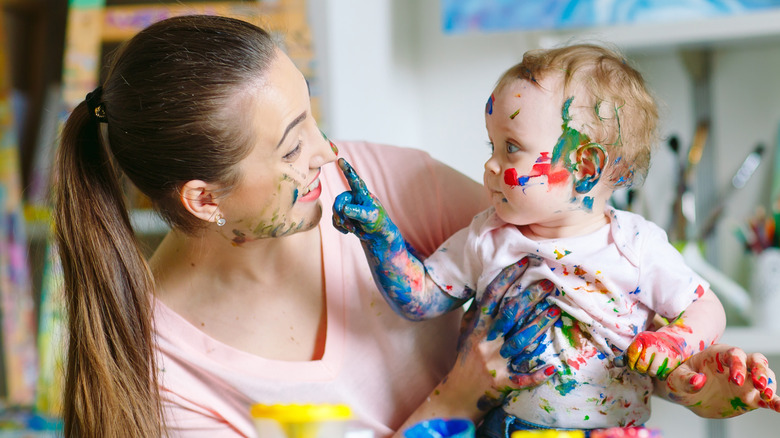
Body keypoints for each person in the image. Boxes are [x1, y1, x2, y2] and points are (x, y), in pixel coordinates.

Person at [52, 15, 777, 438]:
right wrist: (451, 404)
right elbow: (428, 292)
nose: (328, 154)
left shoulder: (382, 180)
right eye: (291, 146)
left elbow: (592, 293)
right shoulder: (163, 369)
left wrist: (689, 376)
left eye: (312, 118)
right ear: (206, 200)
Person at [331, 43, 775, 436]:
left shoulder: (635, 245)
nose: (488, 165)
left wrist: (674, 341)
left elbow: (705, 307)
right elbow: (421, 299)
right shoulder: (489, 236)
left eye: (510, 148)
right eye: (491, 146)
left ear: (584, 167)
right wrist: (378, 233)